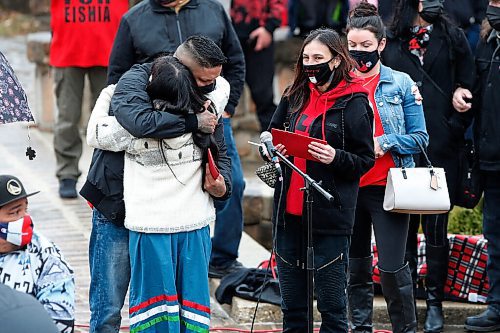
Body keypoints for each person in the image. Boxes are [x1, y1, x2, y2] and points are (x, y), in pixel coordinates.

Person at [79, 35, 235, 332]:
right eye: (203, 81)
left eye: (213, 81)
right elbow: (123, 127)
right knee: (109, 304)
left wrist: (223, 185)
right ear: (181, 70)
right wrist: (191, 123)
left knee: (180, 306)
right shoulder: (130, 89)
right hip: (115, 204)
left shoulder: (208, 99)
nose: (211, 88)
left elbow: (220, 151)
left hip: (174, 220)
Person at [105, 0, 246, 280]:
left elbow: (235, 60)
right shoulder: (134, 18)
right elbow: (118, 76)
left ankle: (223, 258)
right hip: (161, 125)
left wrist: (227, 108)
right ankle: (170, 258)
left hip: (212, 117)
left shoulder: (213, 9)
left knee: (232, 183)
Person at [267, 28, 375, 332]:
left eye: (319, 58)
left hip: (330, 213)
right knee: (293, 304)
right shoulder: (294, 94)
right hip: (289, 213)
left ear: (337, 60)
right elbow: (273, 133)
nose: (311, 63)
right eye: (306, 57)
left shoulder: (354, 102)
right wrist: (273, 150)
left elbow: (365, 160)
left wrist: (335, 157)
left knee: (331, 303)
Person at [382, 1, 475, 332]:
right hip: (399, 148)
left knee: (436, 229)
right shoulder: (390, 41)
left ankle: (434, 301)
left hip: (441, 146)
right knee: (402, 228)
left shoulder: (453, 37)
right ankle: (405, 302)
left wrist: (453, 122)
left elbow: (469, 84)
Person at [345, 2, 429, 332]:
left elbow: (421, 138)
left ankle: (405, 329)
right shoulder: (338, 84)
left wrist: (386, 141)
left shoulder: (401, 83)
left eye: (366, 46)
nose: (359, 53)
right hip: (349, 186)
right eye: (353, 46)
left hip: (388, 187)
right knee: (356, 268)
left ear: (381, 44)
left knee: (394, 269)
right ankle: (359, 328)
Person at [50, 0, 128, 198]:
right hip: (68, 51)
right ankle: (67, 174)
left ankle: (105, 174)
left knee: (109, 120)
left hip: (111, 51)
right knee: (67, 117)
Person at [0, 175, 75, 333]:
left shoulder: (45, 253)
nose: (24, 218)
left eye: (25, 210)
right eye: (14, 213)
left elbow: (61, 320)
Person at [465, 1, 500, 331]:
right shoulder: (486, 42)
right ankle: (497, 306)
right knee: (495, 238)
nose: (494, 9)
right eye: (492, 3)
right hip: (491, 160)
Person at [230, 0, 285, 131]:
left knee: (264, 98)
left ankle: (274, 146)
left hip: (258, 37)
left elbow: (279, 4)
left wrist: (268, 28)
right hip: (231, 36)